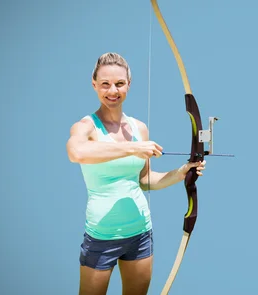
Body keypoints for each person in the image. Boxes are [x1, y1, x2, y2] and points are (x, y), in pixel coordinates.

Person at [66, 52, 205, 295]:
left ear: (129, 84)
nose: (113, 90)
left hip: (140, 234)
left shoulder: (138, 128)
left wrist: (182, 172)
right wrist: (132, 147)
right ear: (94, 84)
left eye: (119, 84)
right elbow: (76, 152)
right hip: (101, 236)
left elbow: (144, 180)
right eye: (105, 84)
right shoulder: (86, 126)